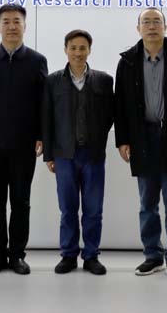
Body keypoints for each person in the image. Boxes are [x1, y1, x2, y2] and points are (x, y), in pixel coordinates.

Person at [114, 8, 167, 282]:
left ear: (165, 26)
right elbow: (120, 105)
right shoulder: (127, 61)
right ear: (138, 28)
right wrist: (122, 140)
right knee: (147, 204)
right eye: (146, 22)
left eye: (156, 21)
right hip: (142, 138)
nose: (152, 26)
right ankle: (153, 255)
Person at [0, 4, 48, 276]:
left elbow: (43, 102)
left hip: (24, 144)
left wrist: (41, 135)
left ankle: (17, 256)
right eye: (6, 21)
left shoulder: (37, 60)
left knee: (21, 202)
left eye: (17, 21)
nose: (12, 26)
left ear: (25, 26)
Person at [42, 30, 115, 276]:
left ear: (89, 50)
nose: (78, 53)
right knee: (68, 209)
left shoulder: (104, 81)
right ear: (66, 50)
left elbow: (110, 116)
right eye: (73, 48)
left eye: (82, 48)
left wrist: (98, 138)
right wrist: (49, 155)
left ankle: (91, 256)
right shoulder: (53, 81)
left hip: (93, 155)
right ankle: (69, 255)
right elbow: (47, 119)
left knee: (94, 210)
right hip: (64, 155)